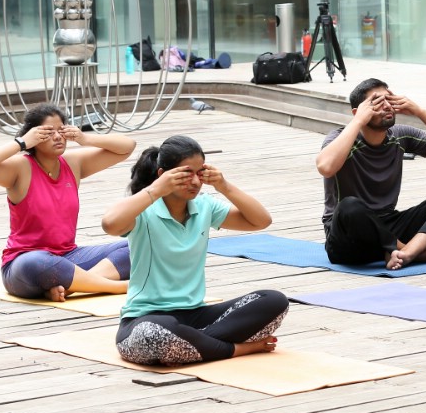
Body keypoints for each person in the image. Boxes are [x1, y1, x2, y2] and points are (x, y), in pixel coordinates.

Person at [101, 136, 288, 366]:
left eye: (200, 173)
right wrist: (156, 189)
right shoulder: (144, 210)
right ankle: (235, 349)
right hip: (145, 320)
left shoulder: (204, 206)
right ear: (163, 174)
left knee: (274, 301)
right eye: (186, 173)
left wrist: (224, 186)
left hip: (196, 317)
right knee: (154, 334)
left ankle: (192, 344)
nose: (195, 181)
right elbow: (110, 224)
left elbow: (261, 221)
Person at [0, 104, 135, 302]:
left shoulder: (73, 163)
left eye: (61, 130)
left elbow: (126, 147)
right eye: (48, 132)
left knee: (135, 246)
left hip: (69, 257)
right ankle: (118, 286)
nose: (57, 137)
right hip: (25, 263)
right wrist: (21, 143)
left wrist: (84, 138)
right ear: (33, 137)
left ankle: (70, 287)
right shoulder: (21, 167)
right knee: (38, 262)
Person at [316, 78, 426, 269]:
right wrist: (358, 121)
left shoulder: (399, 135)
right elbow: (325, 167)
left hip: (389, 226)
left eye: (389, 100)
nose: (387, 106)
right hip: (348, 239)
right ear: (358, 112)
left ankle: (406, 253)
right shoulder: (340, 138)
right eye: (377, 103)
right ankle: (409, 250)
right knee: (349, 206)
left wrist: (419, 112)